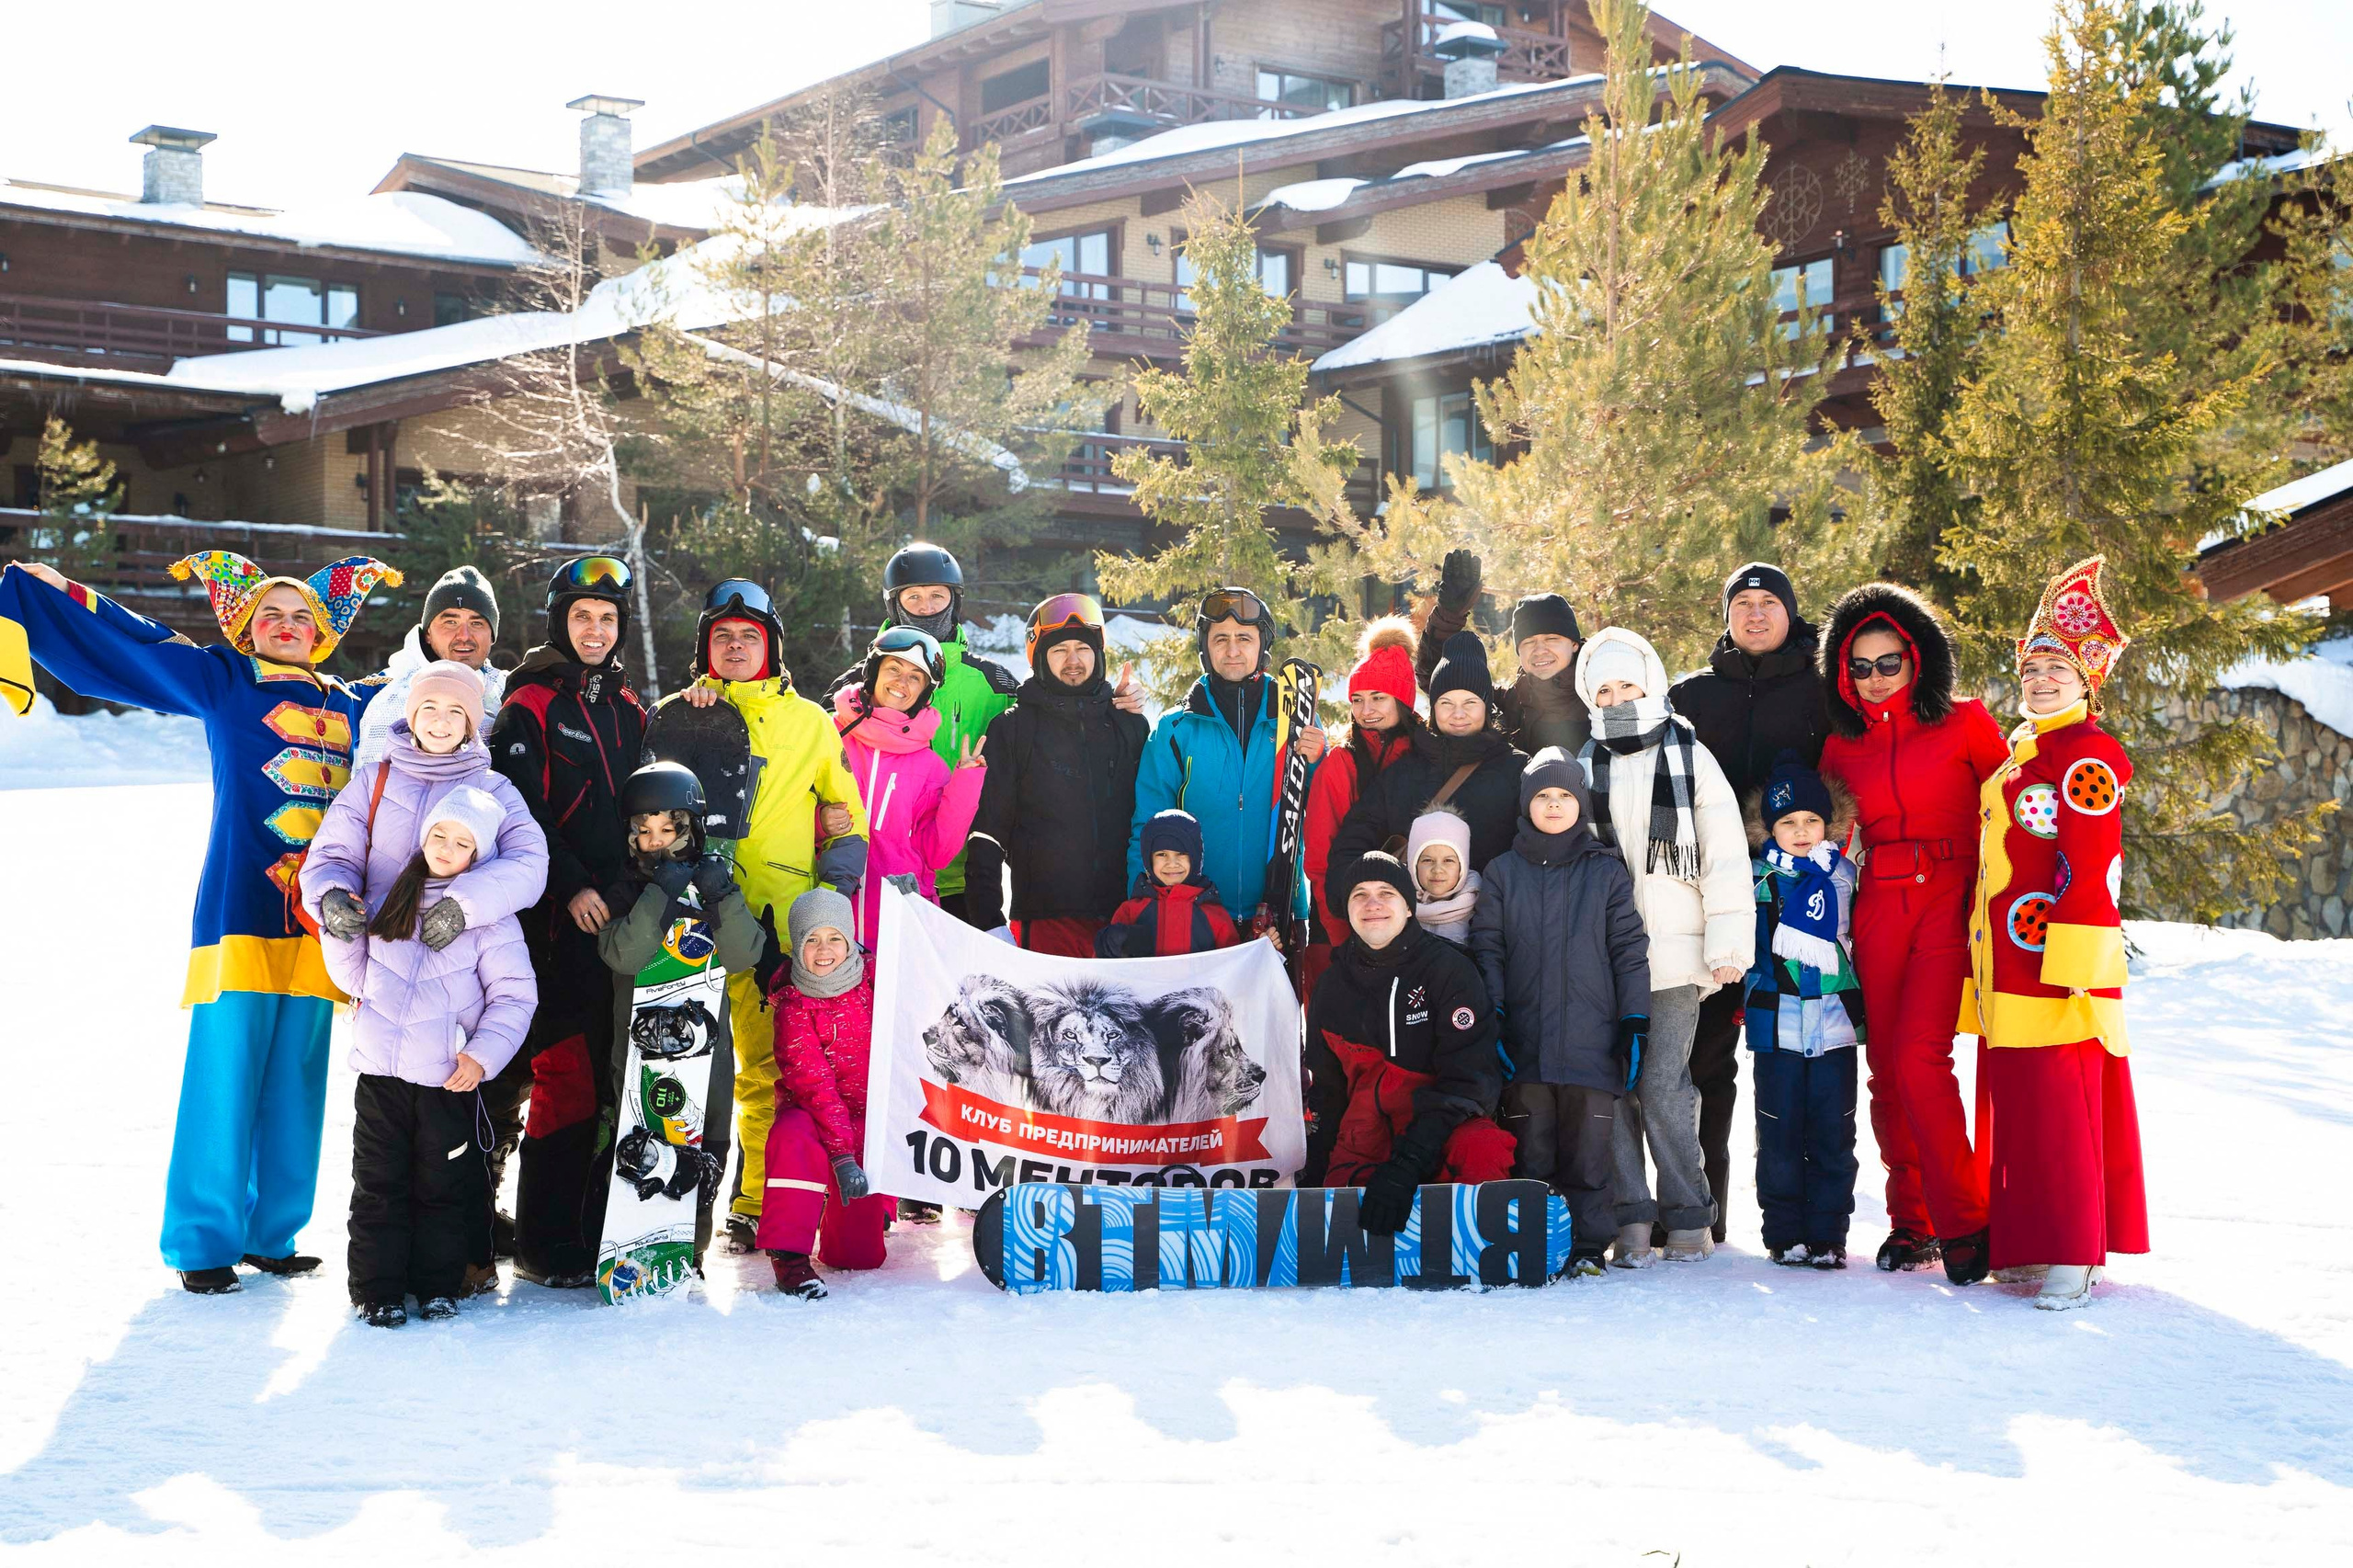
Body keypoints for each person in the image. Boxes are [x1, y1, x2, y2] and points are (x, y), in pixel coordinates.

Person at [0, 550, 398, 1294]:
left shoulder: (356, 705)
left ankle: (271, 1232)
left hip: (325, 923)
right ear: (247, 628)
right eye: (270, 615)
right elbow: (140, 643)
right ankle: (203, 1241)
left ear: (323, 631)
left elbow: (434, 703)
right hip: (239, 911)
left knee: (298, 1080)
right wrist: (62, 593)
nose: (287, 625)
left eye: (301, 616)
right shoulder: (224, 681)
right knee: (224, 1077)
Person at [301, 660, 550, 1293]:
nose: (440, 724)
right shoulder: (375, 782)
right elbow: (330, 856)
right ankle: (382, 1283)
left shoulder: (494, 790)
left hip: (457, 998)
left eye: (456, 713)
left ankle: (449, 1271)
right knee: (382, 1165)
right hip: (383, 976)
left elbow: (528, 866)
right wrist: (331, 901)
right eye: (429, 710)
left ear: (473, 723)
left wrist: (461, 907)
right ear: (410, 716)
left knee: (450, 1163)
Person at [1960, 556, 2147, 1311]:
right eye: (2032, 668)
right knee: (2021, 1107)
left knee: (2061, 1110)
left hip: (2053, 966)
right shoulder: (2025, 752)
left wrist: (2075, 963)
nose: (2039, 681)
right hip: (2006, 961)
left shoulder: (2087, 757)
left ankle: (2074, 1253)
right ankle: (2032, 1242)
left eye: (2056, 670)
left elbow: (2092, 860)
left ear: (2087, 683)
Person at [656, 577, 867, 1251]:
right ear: (706, 649)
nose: (738, 646)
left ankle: (752, 1201)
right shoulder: (675, 713)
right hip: (686, 910)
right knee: (679, 1061)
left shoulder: (809, 721)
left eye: (751, 637)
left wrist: (831, 890)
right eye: (724, 637)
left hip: (773, 918)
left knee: (766, 1068)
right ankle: (664, 1206)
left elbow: (844, 814)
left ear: (772, 646)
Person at [1817, 582, 2012, 1279]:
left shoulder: (1964, 723)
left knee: (1921, 1059)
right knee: (1887, 1073)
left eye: (1888, 662)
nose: (1875, 678)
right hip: (1879, 906)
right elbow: (1827, 837)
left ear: (1917, 658)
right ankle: (1913, 1222)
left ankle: (1968, 1222)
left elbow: (2015, 807)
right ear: (1843, 673)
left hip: (1951, 899)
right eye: (1860, 666)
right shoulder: (1842, 747)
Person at [489, 556, 647, 1288]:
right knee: (557, 1079)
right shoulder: (530, 702)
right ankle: (541, 1244)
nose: (594, 630)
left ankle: (583, 1233)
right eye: (581, 616)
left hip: (608, 919)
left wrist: (617, 887)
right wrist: (576, 886)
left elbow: (641, 814)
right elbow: (521, 812)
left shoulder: (629, 708)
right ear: (560, 621)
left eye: (607, 619)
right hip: (546, 922)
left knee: (601, 1080)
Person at [323, 787, 535, 1327]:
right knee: (378, 1188)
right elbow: (354, 976)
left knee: (443, 1189)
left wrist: (482, 1057)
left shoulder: (490, 918)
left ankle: (437, 1286)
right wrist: (340, 934)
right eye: (439, 834)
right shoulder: (394, 895)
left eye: (461, 841)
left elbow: (515, 996)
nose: (446, 847)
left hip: (447, 1081)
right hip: (379, 1078)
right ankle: (377, 1290)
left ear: (478, 855)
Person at [1574, 626, 1753, 1265]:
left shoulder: (1689, 755)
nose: (1618, 696)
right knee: (1612, 1088)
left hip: (1678, 954)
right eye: (1605, 688)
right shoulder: (1584, 760)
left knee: (1663, 1084)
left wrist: (1729, 940)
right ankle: (1629, 1216)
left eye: (1628, 684)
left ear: (1650, 682)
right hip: (1604, 959)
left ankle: (1687, 1214)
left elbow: (1726, 854)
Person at [1668, 562, 1834, 1244]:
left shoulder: (1825, 691)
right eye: (1744, 604)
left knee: (1797, 1058)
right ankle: (1703, 1215)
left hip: (1799, 901)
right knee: (1703, 1059)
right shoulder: (1690, 696)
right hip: (1705, 898)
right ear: (1726, 615)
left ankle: (1805, 1221)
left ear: (1790, 613)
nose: (1757, 615)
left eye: (1771, 603)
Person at [1470, 751, 1649, 1276]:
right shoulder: (1503, 872)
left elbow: (1628, 950)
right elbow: (1489, 948)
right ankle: (1533, 1244)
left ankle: (1589, 1247)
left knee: (1589, 1156)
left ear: (1581, 803)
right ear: (1527, 803)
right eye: (1543, 796)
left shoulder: (1605, 870)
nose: (1554, 805)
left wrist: (1634, 1021)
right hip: (1524, 1045)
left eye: (1565, 795)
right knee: (1534, 1151)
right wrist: (1494, 1015)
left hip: (1591, 1045)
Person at [596, 761, 766, 1271]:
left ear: (690, 828)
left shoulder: (715, 883)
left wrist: (723, 896)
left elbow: (744, 955)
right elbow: (624, 956)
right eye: (644, 832)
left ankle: (691, 1248)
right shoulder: (624, 890)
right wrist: (659, 892)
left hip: (706, 1053)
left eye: (669, 829)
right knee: (641, 1139)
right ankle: (631, 1238)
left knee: (704, 1140)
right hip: (639, 1052)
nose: (657, 842)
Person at [1303, 854, 1514, 1234]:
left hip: (1440, 1126)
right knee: (1338, 1209)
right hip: (1365, 1132)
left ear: (1408, 907)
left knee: (1484, 1147)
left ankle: (1477, 1240)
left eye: (1386, 893)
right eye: (1360, 895)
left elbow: (1469, 1084)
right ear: (1347, 910)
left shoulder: (1447, 969)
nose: (1373, 904)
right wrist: (1313, 1182)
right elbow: (1328, 1094)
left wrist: (1407, 1165)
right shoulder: (1331, 987)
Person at [831, 544, 1019, 924]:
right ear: (894, 603)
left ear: (955, 600)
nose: (927, 606)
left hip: (963, 875)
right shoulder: (857, 685)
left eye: (937, 595)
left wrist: (1115, 703)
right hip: (860, 876)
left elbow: (1045, 724)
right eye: (913, 597)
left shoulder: (993, 682)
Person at [1129, 587, 1325, 938]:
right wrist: (1141, 907)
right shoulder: (1175, 729)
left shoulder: (1296, 720)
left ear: (1261, 644)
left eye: (1244, 638)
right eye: (1220, 639)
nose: (1232, 650)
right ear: (1205, 647)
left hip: (1276, 914)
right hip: (1193, 918)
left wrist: (1318, 761)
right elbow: (1146, 825)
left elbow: (1323, 810)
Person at [965, 593, 1149, 957]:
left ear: (1099, 656)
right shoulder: (1013, 728)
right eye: (1059, 650)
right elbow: (987, 831)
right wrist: (988, 919)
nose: (1073, 660)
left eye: (1083, 648)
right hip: (1044, 922)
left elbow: (1154, 820)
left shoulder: (1128, 724)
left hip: (1124, 920)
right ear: (1039, 659)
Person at [1742, 756, 1865, 1270]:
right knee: (1779, 1134)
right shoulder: (1756, 878)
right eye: (1787, 822)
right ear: (1769, 828)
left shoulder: (1844, 875)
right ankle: (1784, 1232)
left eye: (1811, 820)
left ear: (1829, 823)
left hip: (1834, 1025)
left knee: (1834, 1135)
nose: (1800, 831)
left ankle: (1828, 1234)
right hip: (1778, 1026)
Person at [759, 887, 894, 1300]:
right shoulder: (793, 1005)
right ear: (797, 945)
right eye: (811, 939)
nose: (823, 951)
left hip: (868, 1120)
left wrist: (912, 911)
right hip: (819, 1121)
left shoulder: (879, 978)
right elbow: (816, 1089)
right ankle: (790, 1256)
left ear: (851, 941)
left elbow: (929, 976)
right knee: (792, 1134)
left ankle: (865, 1211)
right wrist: (841, 1156)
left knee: (858, 1257)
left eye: (835, 938)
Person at [1325, 630, 1524, 910]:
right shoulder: (1404, 771)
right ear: (1433, 707)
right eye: (1446, 703)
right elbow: (1354, 841)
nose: (1458, 714)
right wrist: (1361, 902)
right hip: (1410, 934)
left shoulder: (1516, 770)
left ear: (1486, 707)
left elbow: (1532, 854)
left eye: (1470, 703)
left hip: (1489, 928)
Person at [830, 625, 986, 950]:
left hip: (899, 926)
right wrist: (821, 822)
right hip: (829, 928)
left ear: (925, 692)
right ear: (873, 672)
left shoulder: (930, 767)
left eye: (915, 677)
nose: (902, 682)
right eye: (894, 669)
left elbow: (938, 854)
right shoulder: (829, 735)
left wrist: (966, 783)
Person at [1303, 619, 1420, 979]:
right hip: (1341, 925)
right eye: (1357, 699)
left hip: (1413, 928)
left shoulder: (1426, 756)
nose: (1365, 710)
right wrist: (1343, 940)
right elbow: (1320, 862)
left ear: (1403, 700)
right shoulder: (1340, 763)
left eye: (1378, 698)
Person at [1415, 551, 1589, 754]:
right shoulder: (1508, 704)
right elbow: (1439, 679)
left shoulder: (1603, 694)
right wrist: (1448, 616)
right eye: (1529, 642)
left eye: (1552, 639)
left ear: (1574, 644)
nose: (1540, 650)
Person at [351, 565, 506, 773]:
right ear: (427, 634)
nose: (464, 635)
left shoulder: (506, 693)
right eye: (450, 622)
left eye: (477, 623)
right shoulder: (390, 698)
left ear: (492, 635)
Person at [1097, 809, 1245, 957]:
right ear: (1148, 860)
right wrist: (1107, 944)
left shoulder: (1215, 915)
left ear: (1196, 858)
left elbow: (1235, 967)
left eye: (1181, 853)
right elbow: (1105, 969)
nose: (1172, 863)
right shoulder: (1131, 911)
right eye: (1162, 854)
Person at [1404, 807, 1480, 947]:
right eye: (1427, 860)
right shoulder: (1395, 905)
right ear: (1413, 865)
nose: (1438, 870)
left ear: (1462, 865)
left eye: (1448, 861)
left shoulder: (1482, 907)